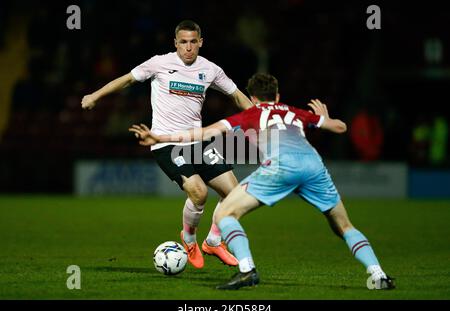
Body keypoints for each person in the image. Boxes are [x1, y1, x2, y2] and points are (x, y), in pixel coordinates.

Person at [130, 73, 395, 290]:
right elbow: (340, 128)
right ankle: (378, 274)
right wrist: (325, 115)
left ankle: (247, 270)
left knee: (225, 213)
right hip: (314, 167)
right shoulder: (295, 112)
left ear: (253, 98)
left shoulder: (249, 115)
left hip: (280, 168)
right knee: (344, 226)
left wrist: (160, 138)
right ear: (277, 96)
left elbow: (203, 132)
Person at [81, 20, 254, 269]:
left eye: (193, 42)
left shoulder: (210, 69)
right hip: (165, 143)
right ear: (175, 43)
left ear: (200, 42)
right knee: (199, 193)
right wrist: (95, 96)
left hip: (198, 140)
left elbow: (236, 95)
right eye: (183, 42)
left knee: (234, 194)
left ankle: (214, 241)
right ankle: (190, 239)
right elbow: (128, 79)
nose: (188, 47)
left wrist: (262, 115)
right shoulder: (159, 63)